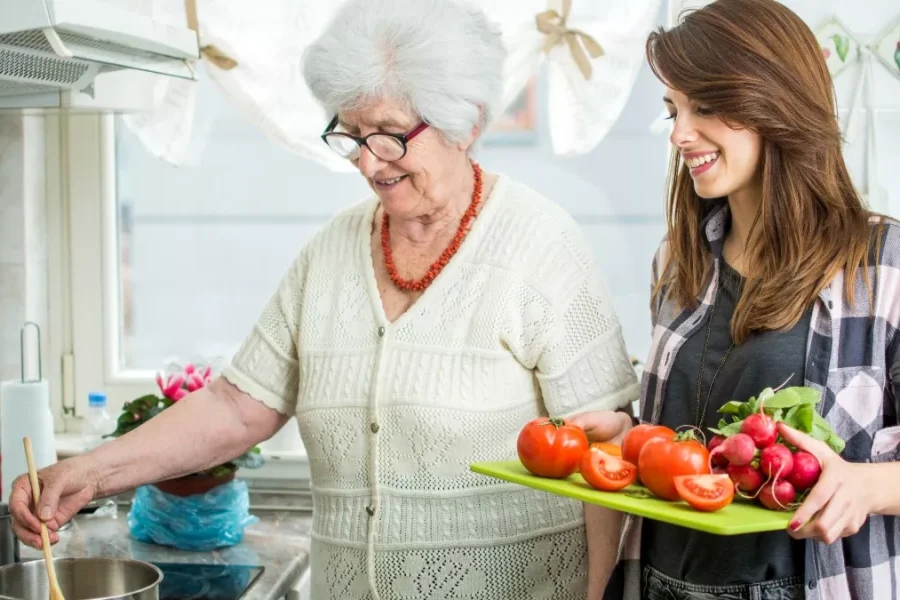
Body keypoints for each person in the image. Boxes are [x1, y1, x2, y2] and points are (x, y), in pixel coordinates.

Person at [9, 0, 640, 598]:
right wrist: (89, 472)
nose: (368, 163)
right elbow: (237, 406)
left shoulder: (540, 245)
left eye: (390, 135)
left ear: (465, 122)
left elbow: (605, 455)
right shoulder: (332, 252)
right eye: (351, 135)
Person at [569, 0, 900, 598]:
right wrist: (632, 433)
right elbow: (703, 448)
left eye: (707, 107)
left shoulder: (882, 265)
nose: (678, 133)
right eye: (673, 109)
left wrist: (866, 487)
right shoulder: (679, 261)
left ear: (777, 103)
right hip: (659, 581)